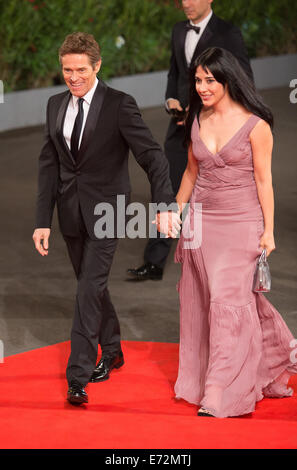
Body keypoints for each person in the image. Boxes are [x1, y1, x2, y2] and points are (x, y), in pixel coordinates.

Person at [32, 32, 180, 405]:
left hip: (109, 212)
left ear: (97, 65)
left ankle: (77, 374)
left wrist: (164, 205)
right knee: (91, 284)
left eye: (81, 69)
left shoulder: (119, 104)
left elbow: (153, 157)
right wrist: (41, 220)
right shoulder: (54, 105)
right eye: (67, 69)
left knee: (86, 290)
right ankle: (112, 349)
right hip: (69, 212)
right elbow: (49, 166)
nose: (73, 77)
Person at [169, 46, 297, 418]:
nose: (203, 86)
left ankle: (221, 392)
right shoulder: (196, 117)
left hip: (242, 223)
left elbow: (264, 180)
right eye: (197, 79)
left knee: (227, 304)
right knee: (213, 303)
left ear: (228, 79)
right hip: (201, 225)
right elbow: (192, 172)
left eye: (210, 79)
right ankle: (271, 361)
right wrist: (175, 209)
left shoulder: (256, 126)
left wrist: (269, 231)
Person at [127, 0, 253, 281]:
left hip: (214, 124)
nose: (187, 2)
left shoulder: (228, 33)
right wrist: (170, 99)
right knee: (166, 184)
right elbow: (175, 72)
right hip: (179, 122)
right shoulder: (177, 31)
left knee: (215, 192)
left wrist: (208, 111)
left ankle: (226, 261)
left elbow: (244, 79)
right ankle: (154, 261)